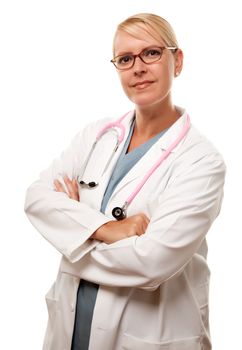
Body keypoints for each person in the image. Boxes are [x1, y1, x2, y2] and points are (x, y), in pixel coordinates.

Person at [25, 13, 226, 350]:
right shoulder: (96, 136)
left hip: (149, 337)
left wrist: (69, 239)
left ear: (177, 61)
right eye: (125, 58)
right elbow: (36, 198)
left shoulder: (201, 161)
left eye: (151, 53)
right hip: (71, 331)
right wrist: (108, 230)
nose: (138, 67)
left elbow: (151, 263)